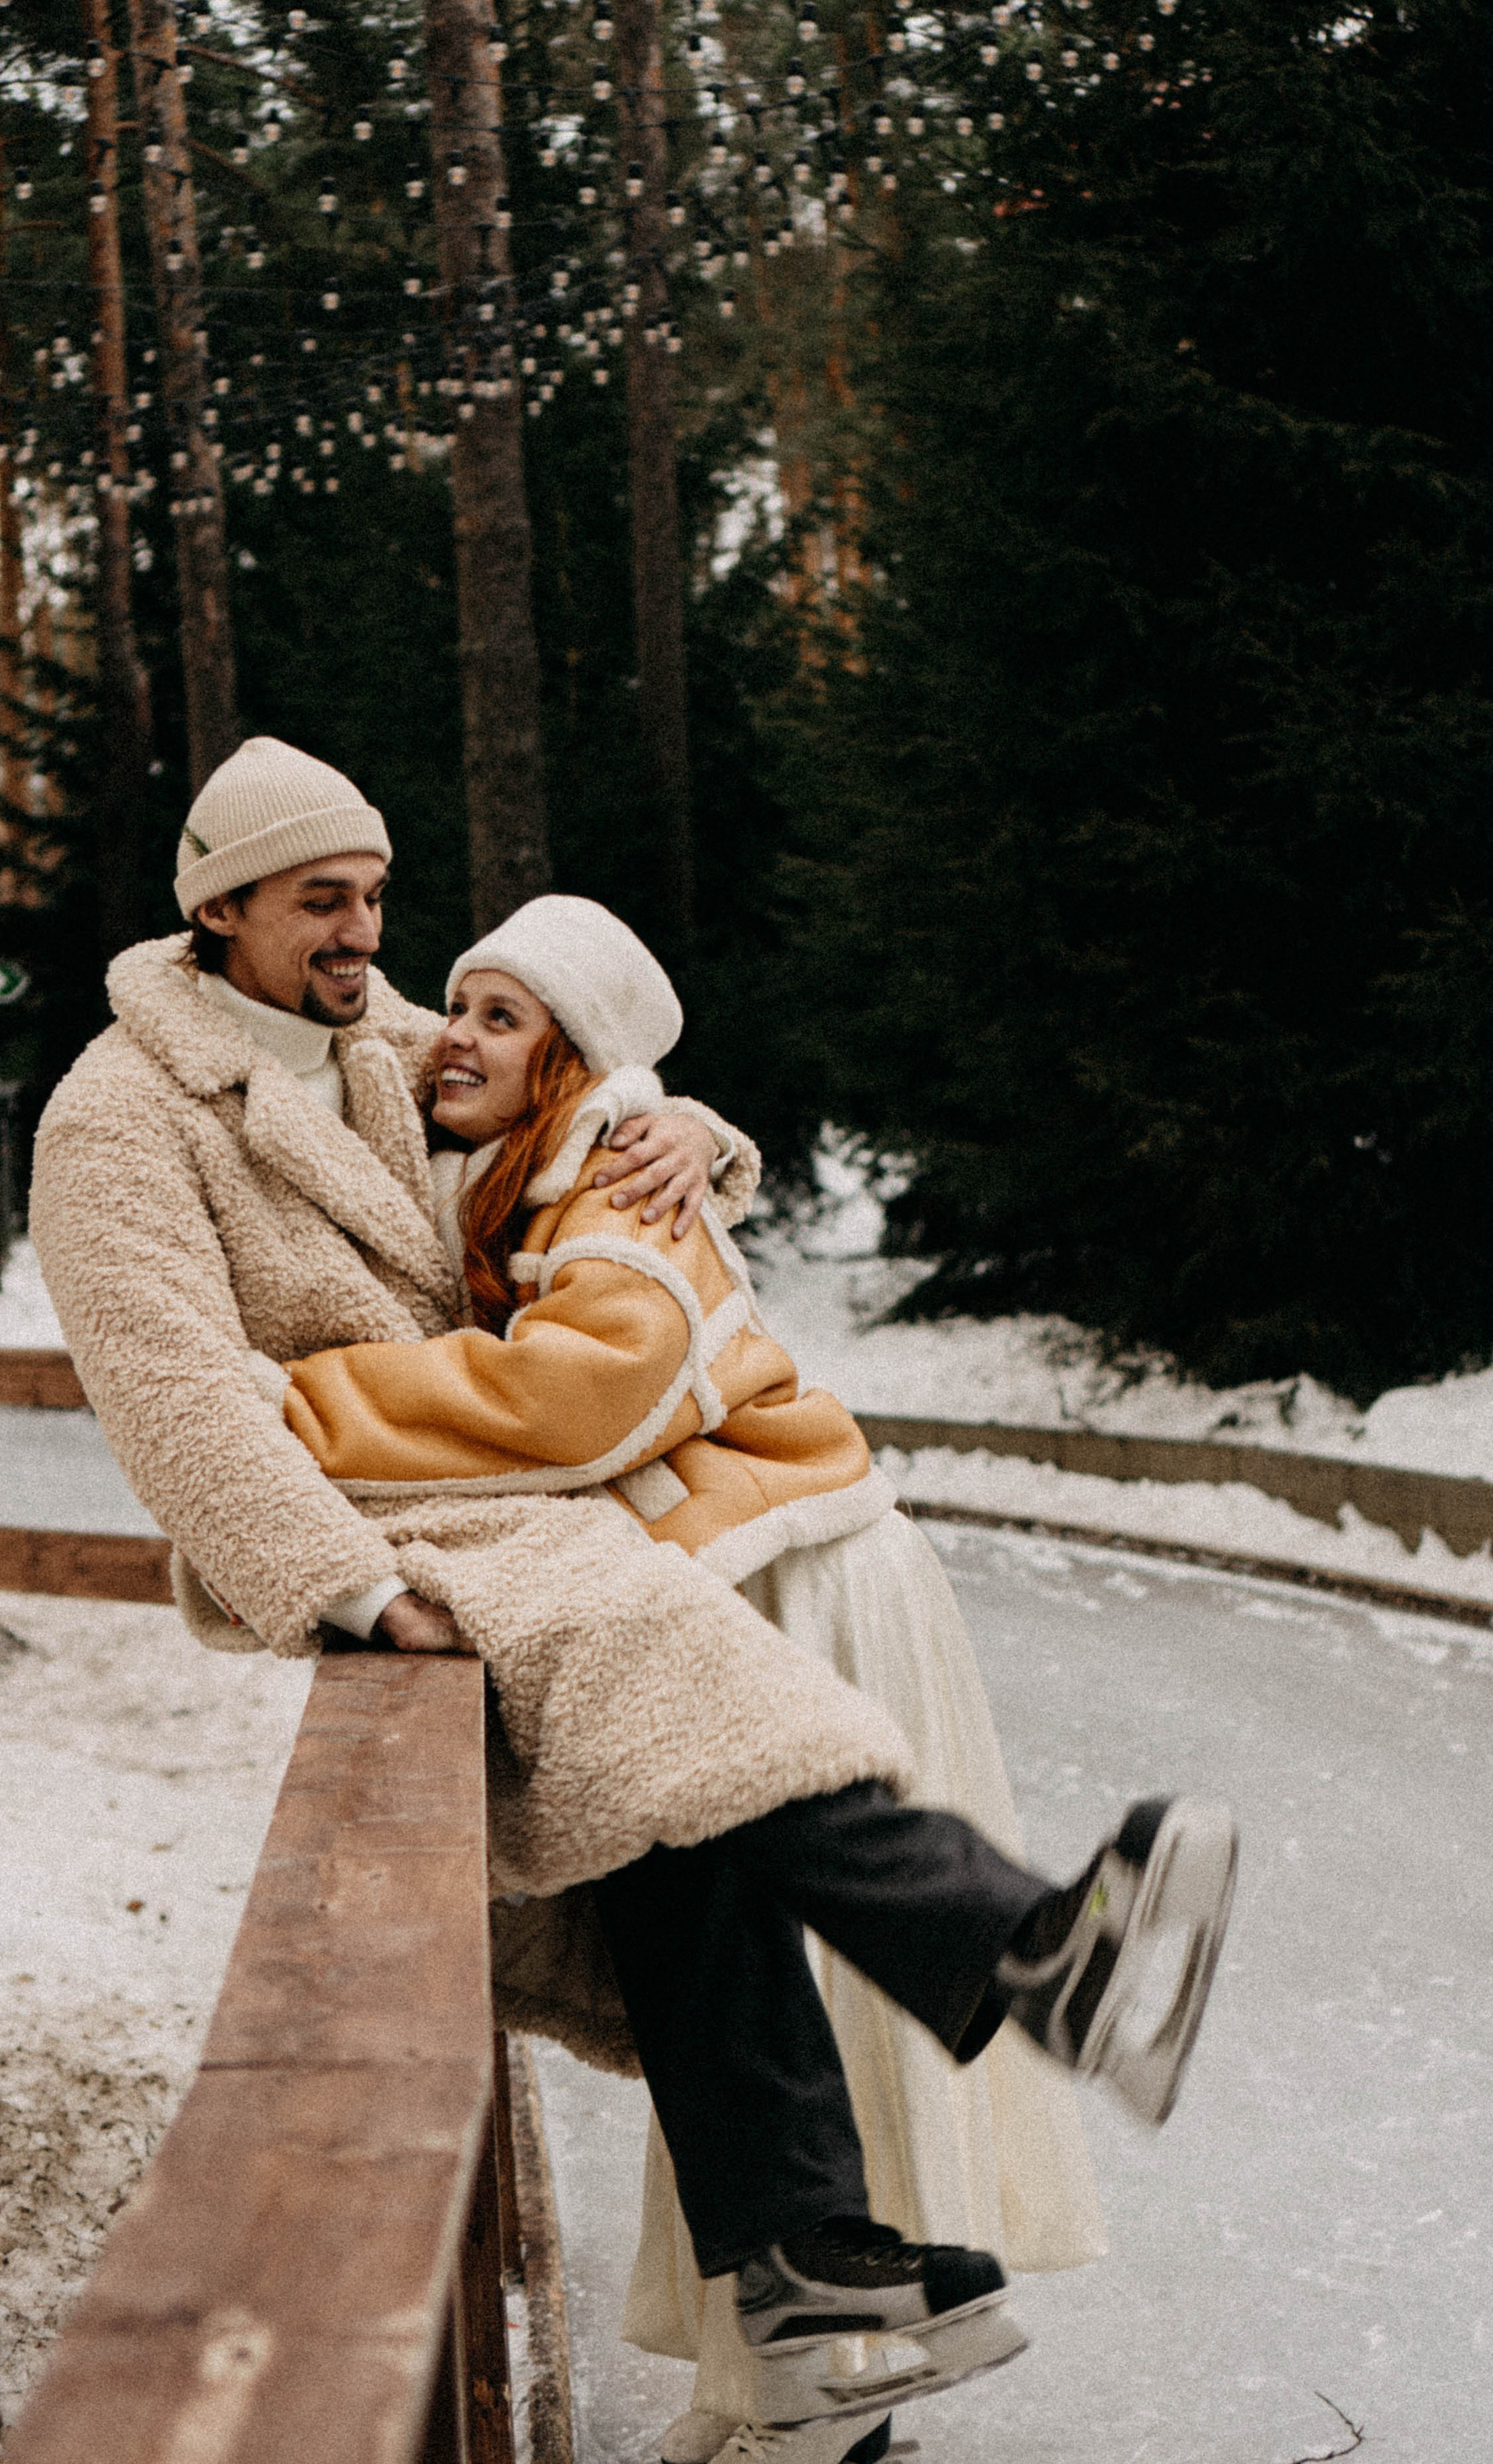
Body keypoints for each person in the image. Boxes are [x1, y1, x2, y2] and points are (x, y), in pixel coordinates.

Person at [31, 741, 1237, 2463]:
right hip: (371, 1518)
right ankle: (1029, 1958)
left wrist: (690, 1126)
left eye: (375, 892)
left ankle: (808, 2267)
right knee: (682, 1690)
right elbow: (170, 1400)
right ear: (216, 907)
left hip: (493, 1488)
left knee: (672, 1801)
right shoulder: (120, 1116)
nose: (367, 931)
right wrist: (343, 1586)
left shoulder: (369, 1042)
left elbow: (560, 1097)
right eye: (323, 901)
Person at [269, 891, 1109, 2462]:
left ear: (572, 1060)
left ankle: (839, 2361)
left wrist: (305, 1407)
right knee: (704, 1945)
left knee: (795, 1981)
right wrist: (691, 1127)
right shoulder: (522, 1158)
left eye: (499, 1015)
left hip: (798, 1578)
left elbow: (580, 1394)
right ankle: (791, 2362)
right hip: (708, 1585)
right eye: (455, 999)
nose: (452, 1033)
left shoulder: (602, 1181)